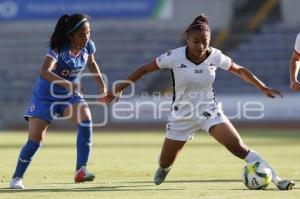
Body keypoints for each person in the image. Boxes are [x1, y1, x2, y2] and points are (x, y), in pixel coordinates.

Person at [103, 15, 295, 190]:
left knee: (239, 147)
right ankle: (164, 167)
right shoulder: (174, 56)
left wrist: (262, 87)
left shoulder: (215, 56)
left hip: (209, 111)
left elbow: (239, 70)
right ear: (187, 40)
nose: (201, 46)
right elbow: (144, 69)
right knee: (164, 161)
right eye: (196, 42)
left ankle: (278, 180)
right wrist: (120, 88)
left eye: (205, 42)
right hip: (181, 115)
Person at [10, 14, 107, 189]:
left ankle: (81, 170)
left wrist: (102, 87)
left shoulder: (88, 47)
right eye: (81, 34)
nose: (86, 37)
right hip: (45, 95)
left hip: (69, 95)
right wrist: (67, 84)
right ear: (71, 35)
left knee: (86, 121)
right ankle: (17, 177)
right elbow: (45, 72)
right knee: (36, 139)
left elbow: (92, 64)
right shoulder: (58, 49)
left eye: (88, 33)